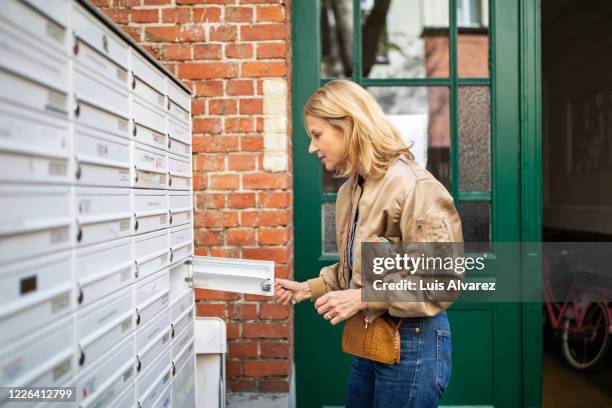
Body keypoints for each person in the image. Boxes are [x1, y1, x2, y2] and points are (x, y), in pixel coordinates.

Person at [275, 79, 463, 407]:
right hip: (372, 341)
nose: (311, 147)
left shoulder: (413, 186)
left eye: (317, 135)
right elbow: (364, 266)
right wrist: (310, 288)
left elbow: (442, 280)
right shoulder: (352, 189)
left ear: (348, 125)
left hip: (413, 345)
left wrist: (362, 298)